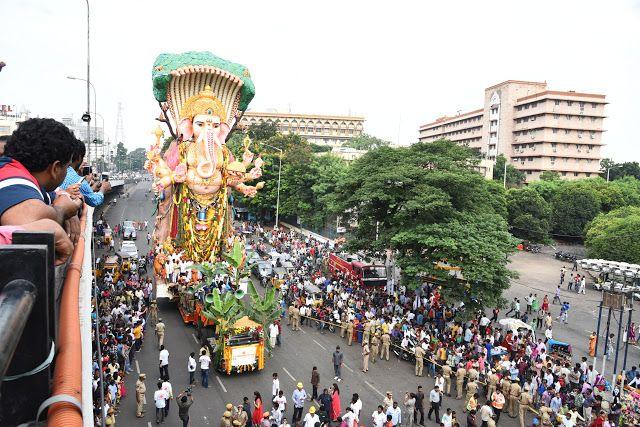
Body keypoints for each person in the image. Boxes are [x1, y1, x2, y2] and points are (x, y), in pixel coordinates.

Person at [0, 118, 81, 253]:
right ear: (55, 168)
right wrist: (61, 210)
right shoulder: (11, 177)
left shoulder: (26, 182)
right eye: (67, 167)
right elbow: (24, 226)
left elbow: (55, 196)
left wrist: (66, 202)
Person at [59, 139, 111, 207]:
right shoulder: (79, 181)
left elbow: (82, 192)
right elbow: (94, 200)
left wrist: (91, 187)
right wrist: (103, 189)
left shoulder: (59, 172)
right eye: (83, 158)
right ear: (79, 157)